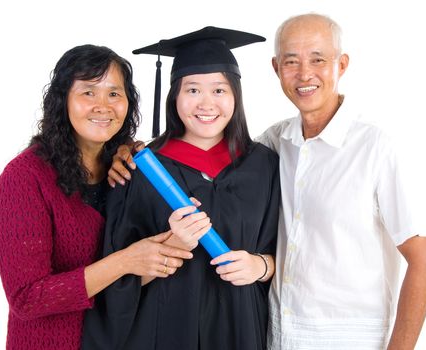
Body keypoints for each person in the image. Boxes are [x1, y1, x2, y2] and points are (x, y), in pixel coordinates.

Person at [110, 14, 426, 350]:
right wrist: (122, 149)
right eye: (291, 61)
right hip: (272, 335)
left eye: (318, 59)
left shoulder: (368, 148)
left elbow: (424, 261)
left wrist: (260, 264)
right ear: (276, 67)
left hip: (344, 336)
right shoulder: (274, 146)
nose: (304, 73)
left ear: (341, 65)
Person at [82, 27, 280, 350]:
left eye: (219, 90)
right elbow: (114, 286)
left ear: (235, 96)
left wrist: (259, 266)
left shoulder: (265, 166)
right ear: (174, 95)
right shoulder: (140, 171)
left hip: (240, 334)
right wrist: (171, 247)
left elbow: (290, 255)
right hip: (160, 336)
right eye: (192, 90)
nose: (206, 104)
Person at [0, 44, 193, 350]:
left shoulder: (128, 168)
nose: (103, 105)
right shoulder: (26, 178)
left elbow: (141, 269)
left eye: (114, 93)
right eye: (88, 92)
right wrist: (126, 261)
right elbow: (27, 298)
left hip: (120, 339)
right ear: (63, 100)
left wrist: (174, 241)